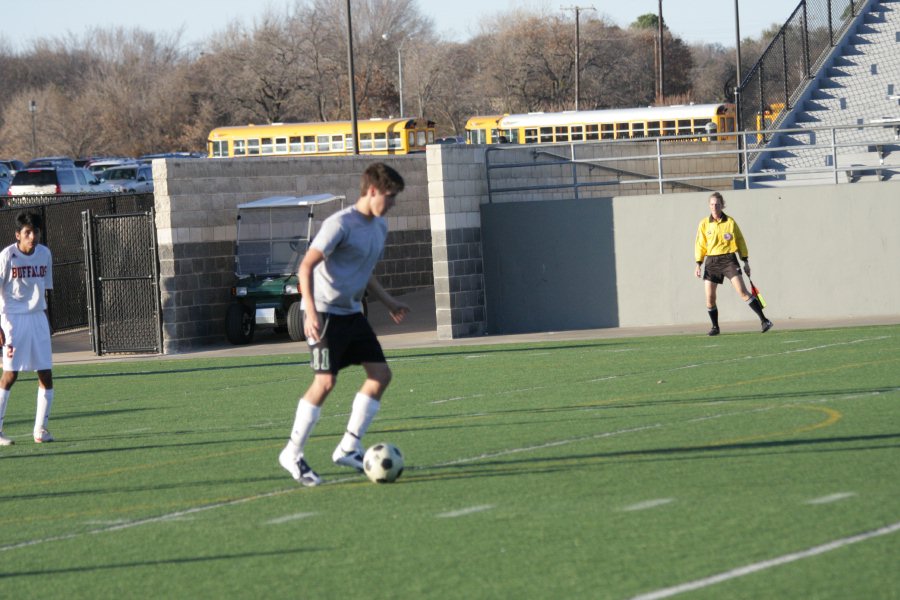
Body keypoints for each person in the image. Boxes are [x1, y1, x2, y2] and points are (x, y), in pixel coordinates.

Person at [278, 163, 410, 486]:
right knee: (325, 382)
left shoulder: (380, 227)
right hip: (323, 314)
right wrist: (309, 313)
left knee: (380, 375)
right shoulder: (339, 224)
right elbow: (305, 268)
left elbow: (364, 270)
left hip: (352, 314)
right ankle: (292, 453)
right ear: (373, 191)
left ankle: (349, 446)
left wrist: (389, 301)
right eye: (390, 197)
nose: (392, 204)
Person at [0, 212, 55, 446]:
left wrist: (47, 319)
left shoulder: (45, 254)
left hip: (37, 318)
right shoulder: (6, 256)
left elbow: (46, 289)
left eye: (35, 232)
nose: (32, 237)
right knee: (11, 374)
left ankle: (40, 430)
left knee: (46, 374)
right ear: (18, 235)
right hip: (13, 318)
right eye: (27, 233)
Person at [694, 192, 772, 336]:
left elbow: (740, 241)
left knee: (742, 292)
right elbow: (700, 244)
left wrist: (745, 261)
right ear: (709, 206)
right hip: (711, 261)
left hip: (729, 259)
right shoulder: (704, 224)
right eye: (712, 204)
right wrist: (698, 264)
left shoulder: (730, 222)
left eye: (717, 204)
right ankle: (715, 327)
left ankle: (764, 320)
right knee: (710, 298)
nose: (714, 207)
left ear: (722, 205)